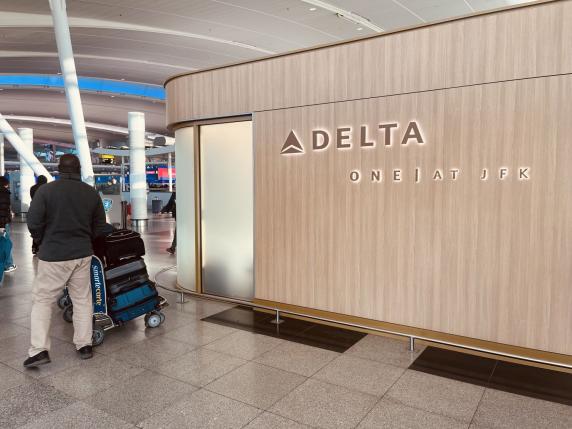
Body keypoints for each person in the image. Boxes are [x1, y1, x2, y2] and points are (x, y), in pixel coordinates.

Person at [24, 154, 107, 367]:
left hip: (53, 256)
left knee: (43, 300)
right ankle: (84, 345)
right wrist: (85, 239)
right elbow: (99, 226)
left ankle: (39, 350)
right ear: (78, 169)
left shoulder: (46, 191)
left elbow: (33, 222)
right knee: (82, 299)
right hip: (82, 254)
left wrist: (43, 240)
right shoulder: (91, 193)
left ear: (59, 169)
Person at [0, 176, 16, 279]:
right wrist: (2, 226)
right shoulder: (4, 193)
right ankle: (8, 265)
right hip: (2, 223)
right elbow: (2, 209)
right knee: (6, 243)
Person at [30, 175, 48, 254]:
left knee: (36, 229)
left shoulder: (32, 188)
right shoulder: (46, 188)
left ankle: (34, 247)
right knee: (44, 229)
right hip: (44, 211)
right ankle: (42, 247)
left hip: (34, 209)